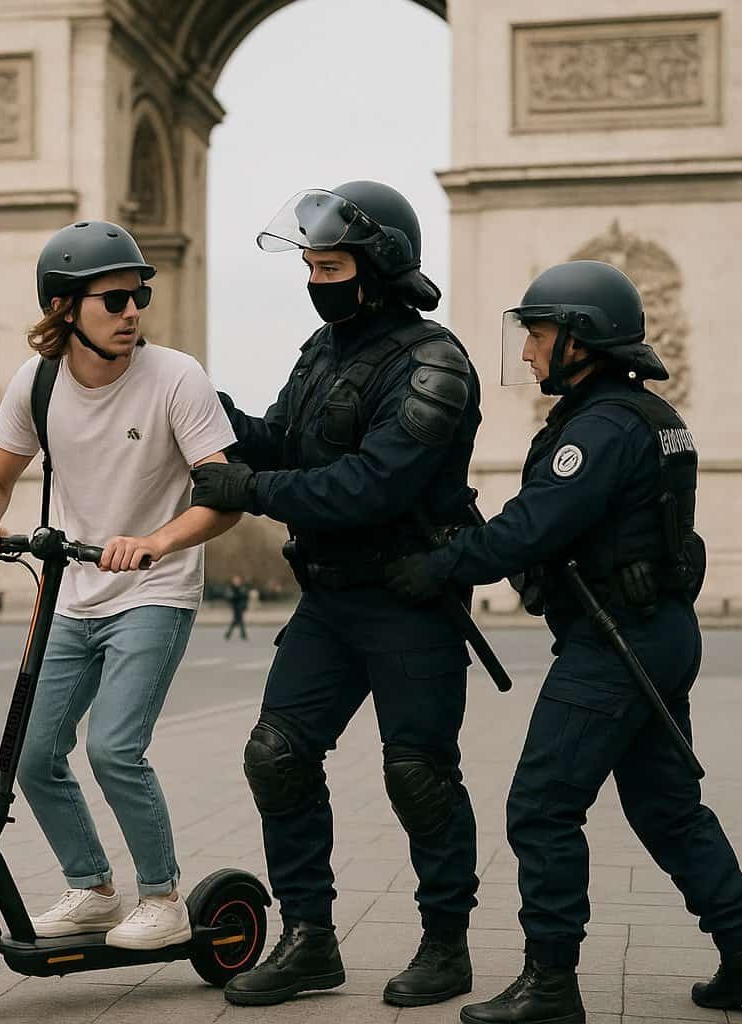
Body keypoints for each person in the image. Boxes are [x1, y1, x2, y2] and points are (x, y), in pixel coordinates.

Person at [384, 260, 742, 1022]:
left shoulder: (596, 430)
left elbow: (533, 528)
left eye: (537, 334)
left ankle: (551, 984)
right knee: (670, 809)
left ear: (584, 338)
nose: (529, 351)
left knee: (540, 805)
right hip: (657, 633)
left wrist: (431, 568)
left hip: (616, 643)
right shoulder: (650, 417)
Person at [191, 181, 483, 1008]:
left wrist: (247, 488)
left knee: (417, 776)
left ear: (382, 265)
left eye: (331, 265)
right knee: (275, 756)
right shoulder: (321, 355)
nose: (316, 280)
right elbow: (279, 439)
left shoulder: (436, 365)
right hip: (328, 600)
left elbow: (369, 488)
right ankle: (310, 939)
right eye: (311, 265)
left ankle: (446, 944)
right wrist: (184, 396)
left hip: (408, 599)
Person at [0, 220, 240, 951]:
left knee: (115, 748)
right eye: (114, 299)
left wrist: (155, 542)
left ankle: (163, 897)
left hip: (155, 589)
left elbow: (223, 493)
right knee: (34, 752)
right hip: (75, 592)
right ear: (64, 309)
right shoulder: (38, 381)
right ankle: (91, 889)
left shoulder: (177, 377)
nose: (133, 311)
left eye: (139, 295)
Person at [224, 574, 250, 641]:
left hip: (240, 607)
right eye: (235, 580)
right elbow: (230, 597)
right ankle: (242, 634)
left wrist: (244, 606)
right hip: (235, 607)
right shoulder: (232, 588)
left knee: (237, 621)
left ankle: (229, 634)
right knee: (238, 621)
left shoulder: (242, 588)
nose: (236, 582)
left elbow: (245, 597)